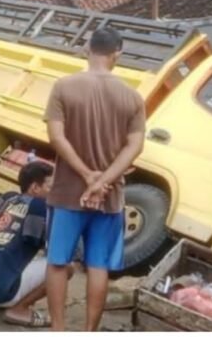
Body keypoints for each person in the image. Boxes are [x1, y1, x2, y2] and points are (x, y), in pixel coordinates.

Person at [43, 27, 146, 332]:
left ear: (87, 48)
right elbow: (135, 146)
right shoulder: (132, 97)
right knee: (98, 265)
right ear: (118, 54)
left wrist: (88, 176)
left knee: (58, 261)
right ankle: (90, 333)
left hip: (66, 193)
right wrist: (103, 181)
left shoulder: (63, 87)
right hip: (110, 199)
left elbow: (55, 136)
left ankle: (58, 331)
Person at [0, 160, 63, 327]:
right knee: (63, 266)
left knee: (6, 251)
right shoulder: (40, 207)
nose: (56, 192)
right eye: (52, 187)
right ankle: (19, 309)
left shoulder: (8, 197)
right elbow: (50, 248)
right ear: (35, 188)